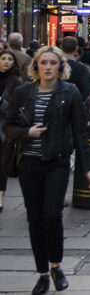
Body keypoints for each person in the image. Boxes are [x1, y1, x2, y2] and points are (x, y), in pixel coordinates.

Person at [3, 46, 90, 294]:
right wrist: (27, 133)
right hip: (29, 163)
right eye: (43, 63)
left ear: (60, 67)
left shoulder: (70, 92)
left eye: (52, 63)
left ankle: (56, 265)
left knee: (51, 216)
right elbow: (7, 126)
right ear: (35, 66)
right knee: (34, 218)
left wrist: (87, 170)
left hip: (57, 161)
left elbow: (80, 131)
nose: (47, 67)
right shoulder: (23, 93)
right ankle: (43, 273)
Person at [0, 48, 25, 212]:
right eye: (3, 58)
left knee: (1, 165)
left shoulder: (16, 83)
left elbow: (16, 110)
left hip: (3, 131)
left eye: (10, 59)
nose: (6, 62)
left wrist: (1, 102)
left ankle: (0, 198)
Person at [59, 37, 90, 112]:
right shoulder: (82, 68)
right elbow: (87, 89)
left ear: (61, 47)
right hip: (76, 107)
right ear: (76, 48)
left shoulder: (56, 66)